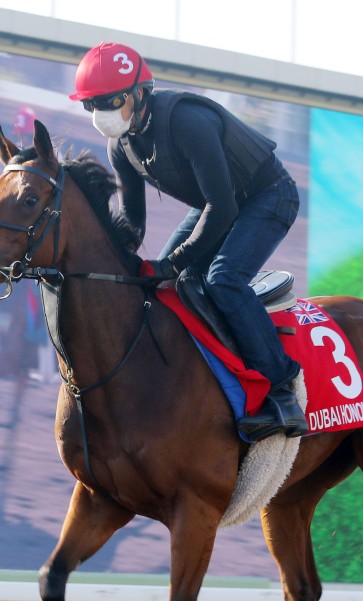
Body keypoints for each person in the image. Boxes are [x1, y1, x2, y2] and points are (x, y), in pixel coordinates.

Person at [69, 42, 307, 442]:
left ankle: (282, 392)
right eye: (92, 105)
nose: (100, 114)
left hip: (267, 195)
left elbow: (223, 207)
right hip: (217, 202)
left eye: (110, 102)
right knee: (159, 288)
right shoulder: (120, 145)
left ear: (139, 94)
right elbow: (133, 223)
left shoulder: (187, 123)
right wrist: (110, 262)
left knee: (222, 279)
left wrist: (175, 261)